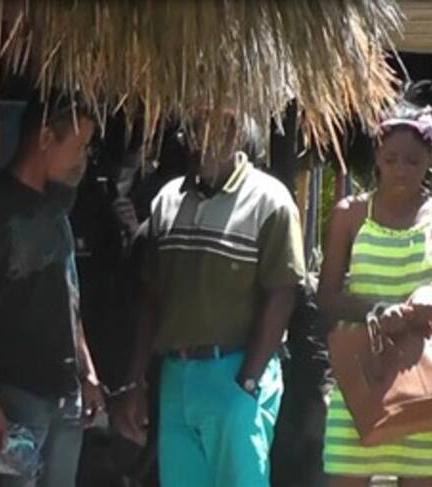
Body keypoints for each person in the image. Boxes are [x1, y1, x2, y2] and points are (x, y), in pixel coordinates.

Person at [111, 113, 306, 487]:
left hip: (235, 372)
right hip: (176, 374)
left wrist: (247, 382)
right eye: (195, 125)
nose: (198, 136)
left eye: (213, 124)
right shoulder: (168, 199)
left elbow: (282, 295)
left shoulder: (270, 200)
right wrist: (135, 380)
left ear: (235, 129)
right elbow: (152, 297)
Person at [316, 102, 432, 487]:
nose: (401, 170)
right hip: (363, 373)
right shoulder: (350, 214)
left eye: (412, 160)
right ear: (377, 156)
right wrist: (375, 310)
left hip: (427, 376)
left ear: (431, 159)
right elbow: (326, 296)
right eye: (391, 159)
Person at [0, 91, 104, 487]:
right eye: (79, 146)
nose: (84, 159)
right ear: (47, 137)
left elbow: (69, 296)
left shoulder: (57, 208)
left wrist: (88, 372)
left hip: (66, 396)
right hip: (16, 396)